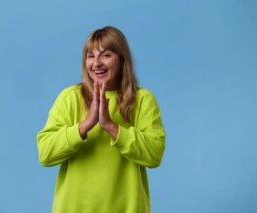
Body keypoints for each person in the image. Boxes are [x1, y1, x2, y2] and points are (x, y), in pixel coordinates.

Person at [37, 26, 165, 213]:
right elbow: (45, 153)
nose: (96, 63)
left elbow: (154, 155)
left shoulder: (143, 100)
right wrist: (86, 125)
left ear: (122, 60)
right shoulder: (70, 97)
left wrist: (111, 127)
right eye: (90, 55)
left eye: (105, 55)